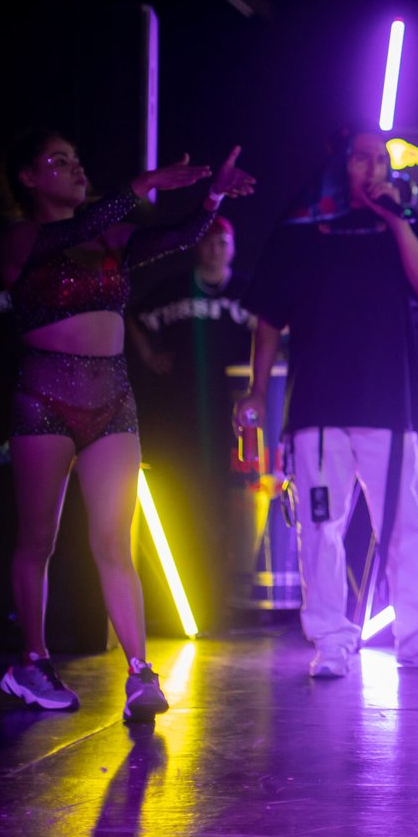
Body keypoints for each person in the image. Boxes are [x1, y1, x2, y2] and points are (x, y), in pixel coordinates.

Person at [0, 128, 254, 720]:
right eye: (58, 160)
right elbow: (73, 230)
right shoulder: (22, 238)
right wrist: (142, 185)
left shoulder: (110, 235)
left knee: (114, 541)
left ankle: (140, 673)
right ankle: (31, 663)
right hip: (44, 397)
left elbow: (181, 235)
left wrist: (212, 196)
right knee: (38, 539)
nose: (75, 167)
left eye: (77, 158)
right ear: (28, 178)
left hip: (112, 399)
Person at [236, 128, 418, 680]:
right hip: (318, 404)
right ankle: (332, 640)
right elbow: (268, 316)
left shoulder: (398, 219)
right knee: (320, 528)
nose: (373, 168)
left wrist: (396, 218)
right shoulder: (301, 226)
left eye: (379, 158)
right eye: (361, 157)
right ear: (339, 162)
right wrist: (256, 388)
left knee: (407, 525)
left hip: (389, 398)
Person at [127, 215, 254, 624]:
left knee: (228, 501)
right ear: (198, 245)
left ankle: (227, 597)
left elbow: (274, 330)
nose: (215, 250)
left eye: (222, 243)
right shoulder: (174, 288)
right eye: (208, 242)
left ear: (233, 247)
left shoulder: (247, 291)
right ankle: (182, 596)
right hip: (180, 410)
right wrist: (148, 355)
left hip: (232, 413)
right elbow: (133, 315)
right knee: (183, 496)